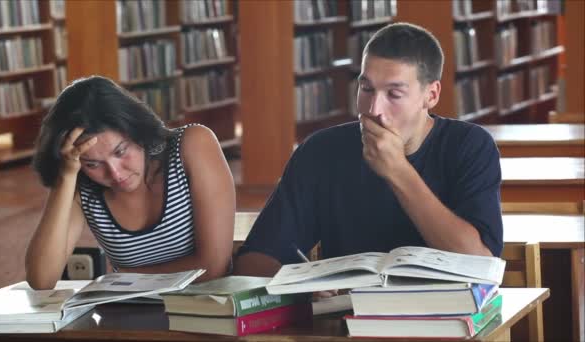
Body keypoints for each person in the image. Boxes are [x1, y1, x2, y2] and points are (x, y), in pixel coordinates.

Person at [234, 22, 503, 278]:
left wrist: (398, 171)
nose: (374, 109)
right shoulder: (321, 151)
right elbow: (253, 259)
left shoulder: (470, 146)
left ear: (431, 95)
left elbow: (479, 263)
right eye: (366, 89)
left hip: (447, 317)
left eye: (394, 94)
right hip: (345, 319)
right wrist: (303, 285)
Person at [26, 76, 235, 289]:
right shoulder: (79, 184)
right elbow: (41, 281)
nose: (115, 173)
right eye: (93, 164)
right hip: (130, 313)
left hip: (206, 308)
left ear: (137, 130)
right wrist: (66, 177)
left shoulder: (192, 145)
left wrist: (121, 277)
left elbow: (213, 267)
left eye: (120, 151)